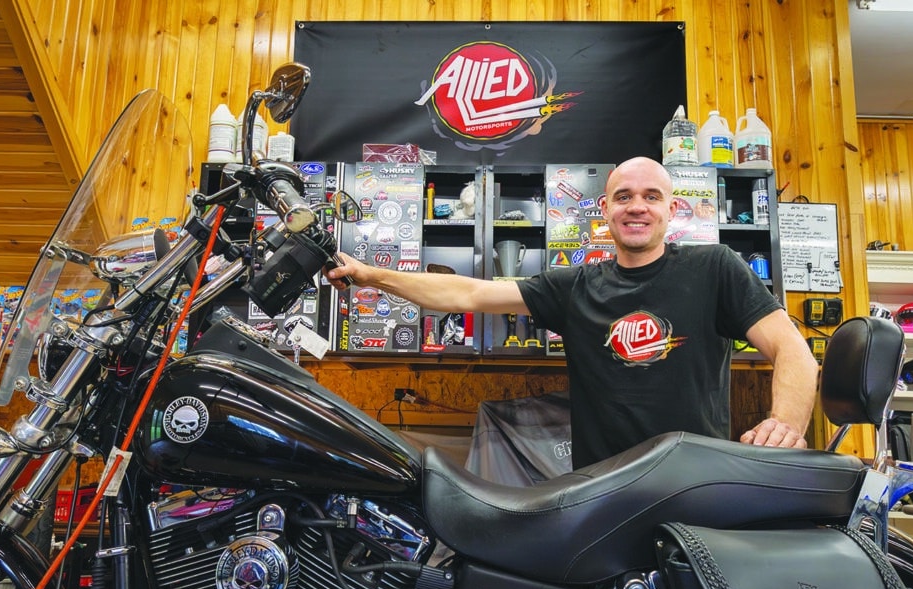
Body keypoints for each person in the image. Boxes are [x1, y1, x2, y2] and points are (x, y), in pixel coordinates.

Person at [326, 157, 819, 469]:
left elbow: (793, 350)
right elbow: (470, 295)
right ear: (605, 209)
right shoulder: (576, 284)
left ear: (674, 208)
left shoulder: (715, 267)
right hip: (598, 486)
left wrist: (786, 424)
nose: (637, 207)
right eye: (624, 196)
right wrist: (372, 276)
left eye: (652, 196)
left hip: (691, 479)